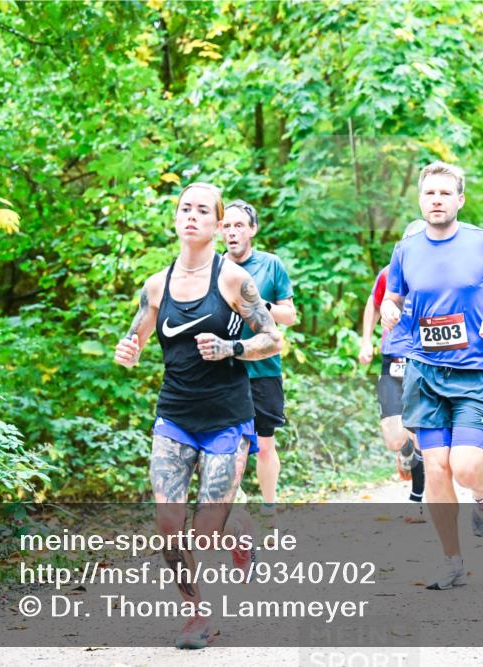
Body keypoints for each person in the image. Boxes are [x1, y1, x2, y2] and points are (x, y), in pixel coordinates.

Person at [113, 183, 283, 650]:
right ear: (176, 219)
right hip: (175, 415)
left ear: (216, 223)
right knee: (168, 522)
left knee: (206, 534)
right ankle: (195, 615)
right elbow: (137, 339)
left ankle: (238, 526)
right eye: (185, 208)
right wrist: (128, 351)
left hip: (228, 418)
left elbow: (273, 339)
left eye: (202, 210)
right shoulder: (156, 284)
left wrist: (232, 347)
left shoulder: (232, 280)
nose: (192, 216)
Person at [380, 161, 483, 590]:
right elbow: (393, 296)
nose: (436, 200)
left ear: (459, 199)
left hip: (474, 371)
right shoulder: (405, 250)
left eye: (445, 193)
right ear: (420, 200)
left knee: (465, 466)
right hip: (425, 372)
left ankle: (482, 497)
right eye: (429, 194)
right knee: (437, 470)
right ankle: (451, 559)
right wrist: (389, 308)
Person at [220, 200, 296, 523]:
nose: (232, 232)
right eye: (227, 226)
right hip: (225, 368)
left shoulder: (271, 265)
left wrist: (259, 303)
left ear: (252, 230)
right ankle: (232, 503)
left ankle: (268, 505)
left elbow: (289, 316)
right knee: (228, 443)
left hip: (264, 368)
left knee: (264, 444)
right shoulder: (213, 267)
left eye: (239, 226)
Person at [359, 221, 427, 522]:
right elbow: (373, 305)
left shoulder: (434, 276)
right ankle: (406, 451)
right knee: (393, 436)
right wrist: (366, 341)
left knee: (417, 430)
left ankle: (417, 497)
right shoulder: (388, 273)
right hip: (392, 357)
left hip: (424, 359)